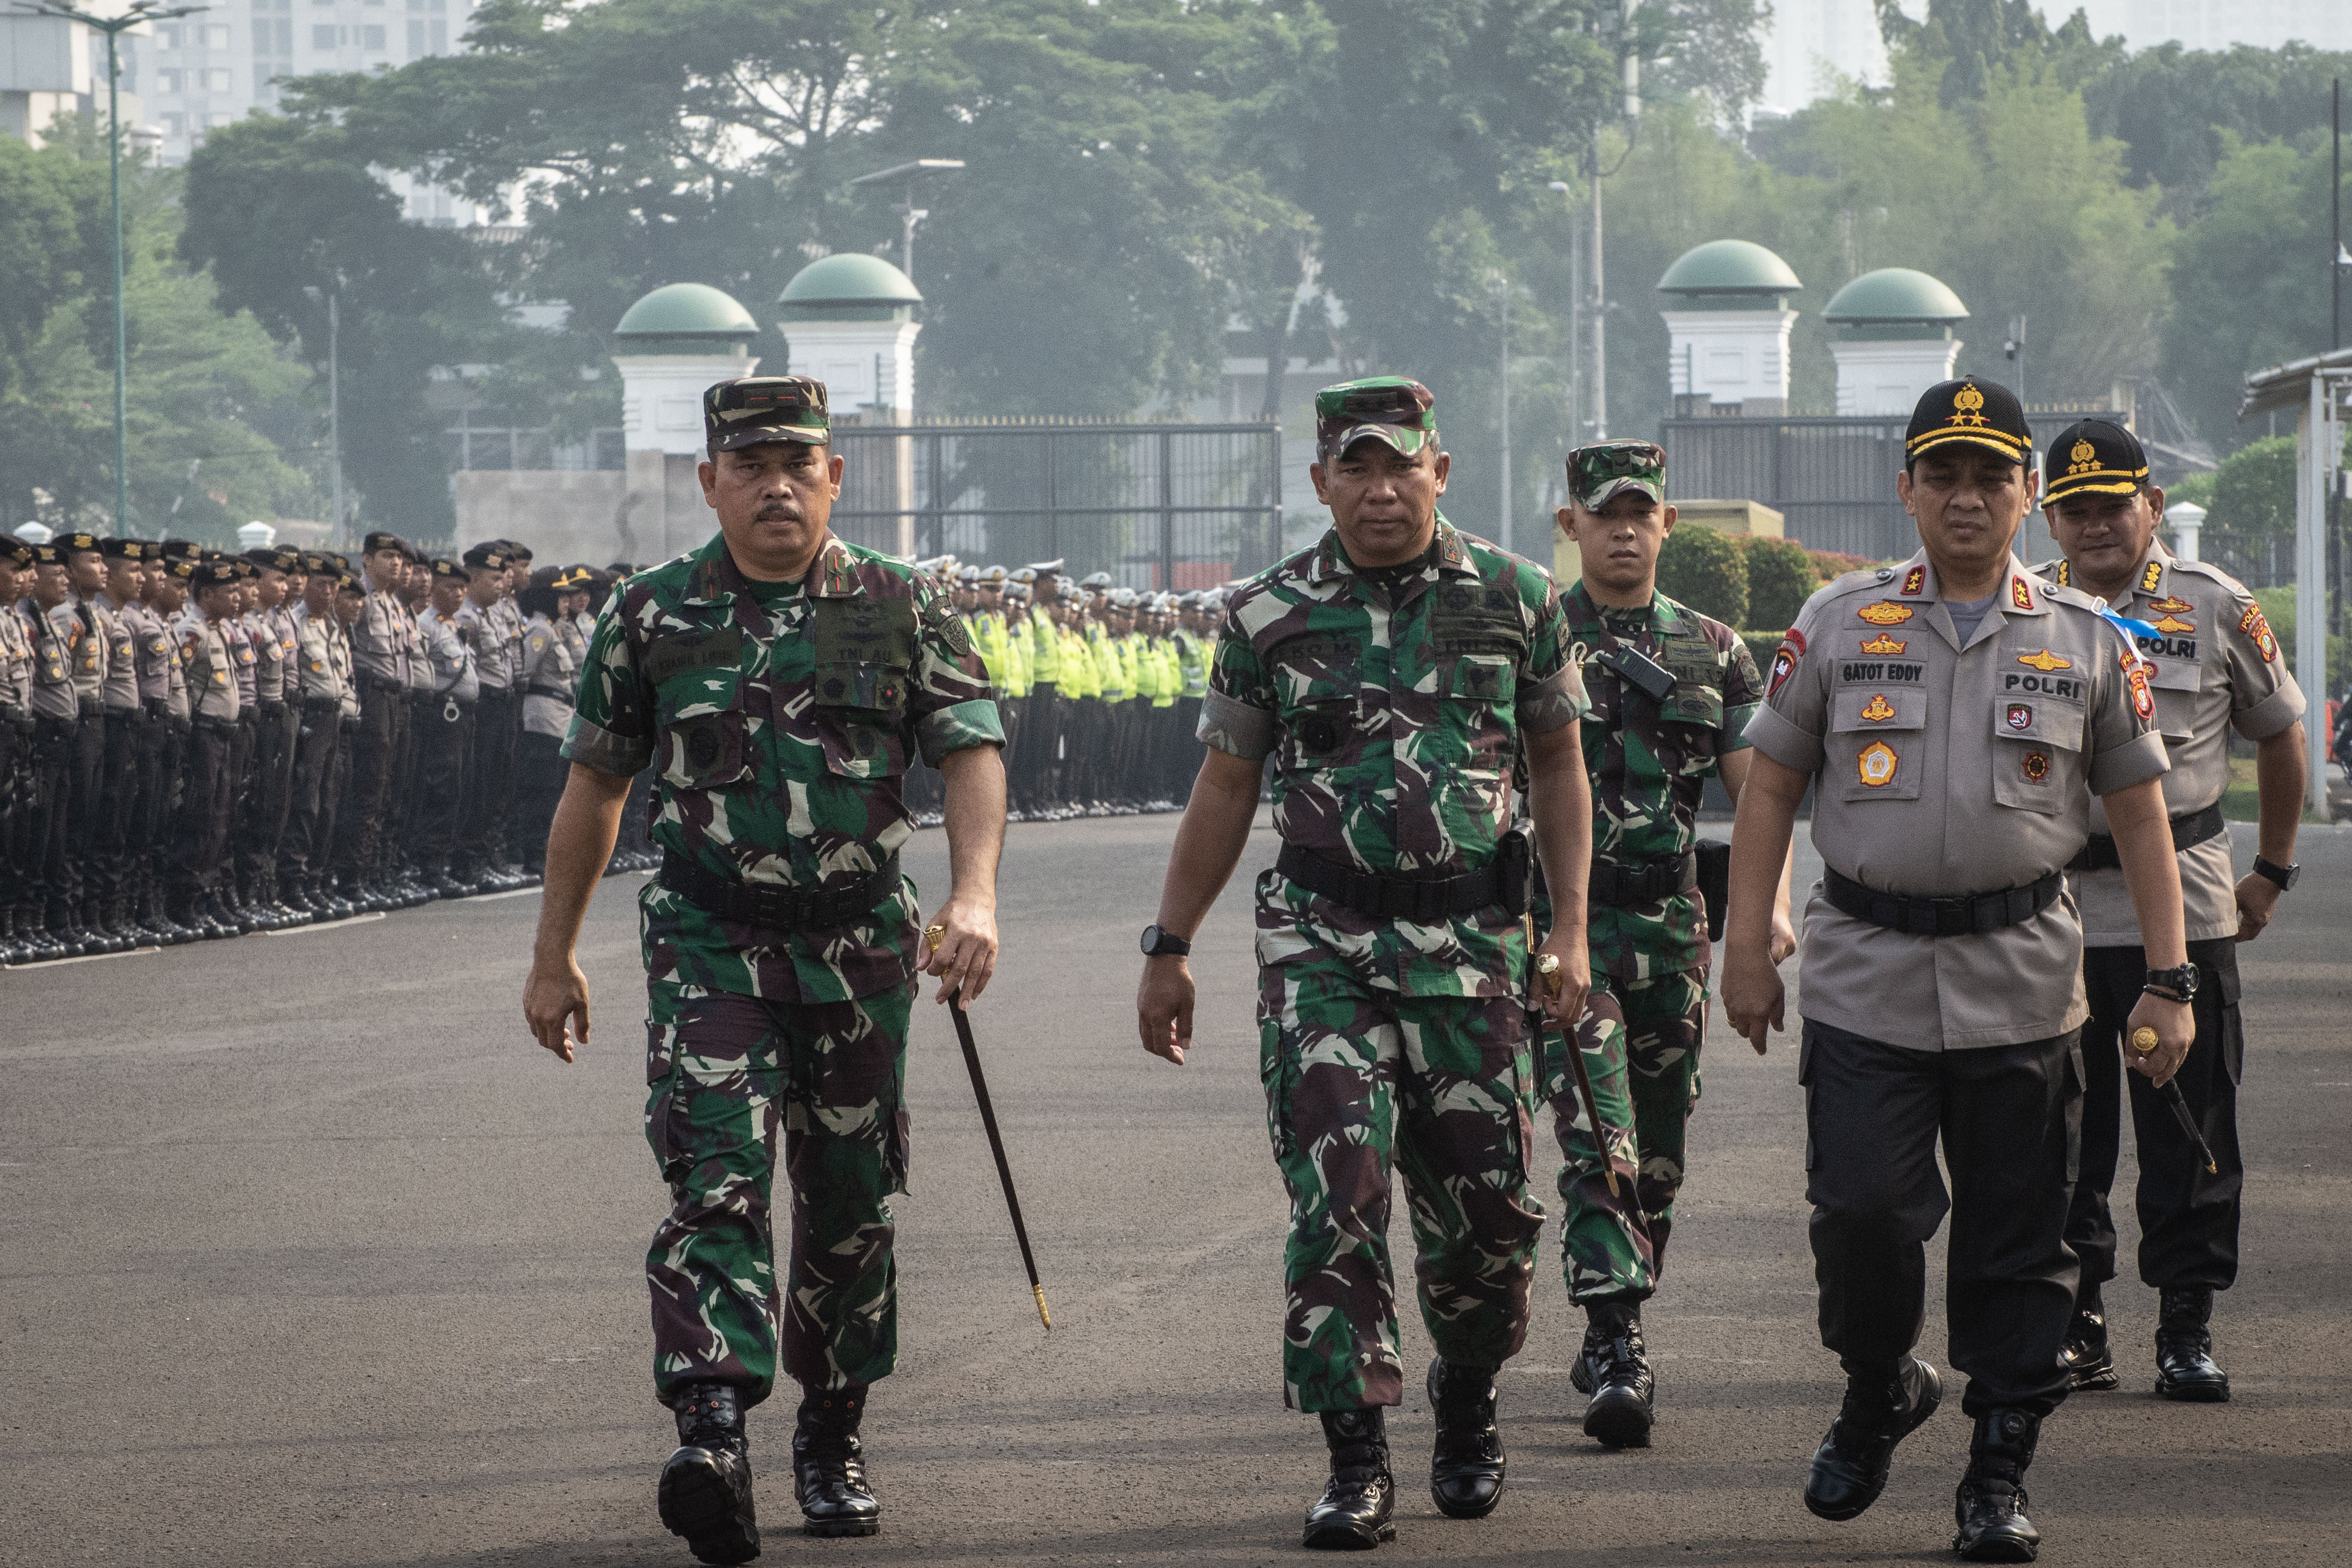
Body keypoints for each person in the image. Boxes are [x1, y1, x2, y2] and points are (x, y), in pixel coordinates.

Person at [523, 375, 1007, 1564]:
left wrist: (975, 892)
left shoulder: (903, 606)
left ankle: (832, 1430)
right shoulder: (651, 613)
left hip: (858, 947)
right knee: (715, 1175)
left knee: (847, 1198)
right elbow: (596, 785)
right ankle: (711, 1427)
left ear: (837, 476)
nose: (776, 482)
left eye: (799, 462)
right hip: (709, 940)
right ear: (709, 482)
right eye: (749, 465)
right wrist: (554, 956)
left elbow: (971, 750)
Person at [1720, 377, 2196, 1562]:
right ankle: (1877, 1380)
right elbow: (1768, 788)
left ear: (2027, 495)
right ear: (1907, 492)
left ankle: (1996, 1467)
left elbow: (2140, 816)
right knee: (1860, 1217)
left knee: (2016, 1240)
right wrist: (1741, 943)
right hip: (1860, 973)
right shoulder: (1835, 625)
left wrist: (2170, 976)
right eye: (1943, 474)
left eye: (1991, 475)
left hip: (2023, 983)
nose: (1967, 496)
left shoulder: (2088, 643)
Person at [1135, 376, 1593, 1549]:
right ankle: (1353, 1453)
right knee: (1336, 1193)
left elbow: (1556, 766)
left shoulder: (1515, 599)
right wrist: (1169, 943)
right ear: (1320, 480)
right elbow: (1225, 785)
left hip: (1471, 950)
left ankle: (1469, 1395)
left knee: (1483, 1215)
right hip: (1319, 949)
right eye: (1355, 466)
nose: (1379, 488)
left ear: (1440, 471)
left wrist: (1570, 930)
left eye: (1401, 466)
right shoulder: (1266, 616)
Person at [2032, 419, 2307, 1403]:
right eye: (2075, 510)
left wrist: (2272, 868)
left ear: (2153, 505)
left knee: (2191, 1125)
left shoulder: (2215, 604)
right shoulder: (2031, 610)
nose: (2096, 526)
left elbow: (2282, 734)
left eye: (2114, 505)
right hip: (2057, 912)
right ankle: (2082, 1320)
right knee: (2064, 1132)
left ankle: (2186, 1323)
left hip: (2184, 905)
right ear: (2051, 517)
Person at [1542, 439, 1796, 1449]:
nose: (1623, 529)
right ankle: (1616, 1342)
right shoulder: (1532, 634)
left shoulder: (1715, 649)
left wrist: (1766, 905)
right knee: (1597, 1135)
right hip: (1566, 930)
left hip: (1671, 927)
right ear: (1572, 526)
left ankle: (1618, 1306)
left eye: (1640, 512)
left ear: (1666, 524)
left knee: (1658, 1159)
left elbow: (1757, 787)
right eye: (1604, 514)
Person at [333, 532, 421, 910]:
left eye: (399, 558)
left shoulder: (394, 603)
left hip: (398, 699)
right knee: (370, 787)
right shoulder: (363, 600)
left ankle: (378, 872)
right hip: (374, 696)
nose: (396, 564)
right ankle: (353, 876)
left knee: (391, 791)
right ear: (366, 560)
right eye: (387, 556)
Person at [414, 557, 482, 897]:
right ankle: (430, 864)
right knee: (441, 787)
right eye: (450, 588)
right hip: (443, 714)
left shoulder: (453, 625)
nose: (458, 595)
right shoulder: (425, 625)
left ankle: (446, 861)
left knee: (460, 787)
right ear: (434, 589)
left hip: (464, 716)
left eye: (462, 588)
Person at [509, 564, 579, 879]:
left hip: (559, 718)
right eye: (559, 596)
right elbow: (525, 673)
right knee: (542, 789)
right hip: (542, 719)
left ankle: (548, 854)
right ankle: (536, 855)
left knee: (555, 790)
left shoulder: (553, 629)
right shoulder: (540, 630)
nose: (566, 602)